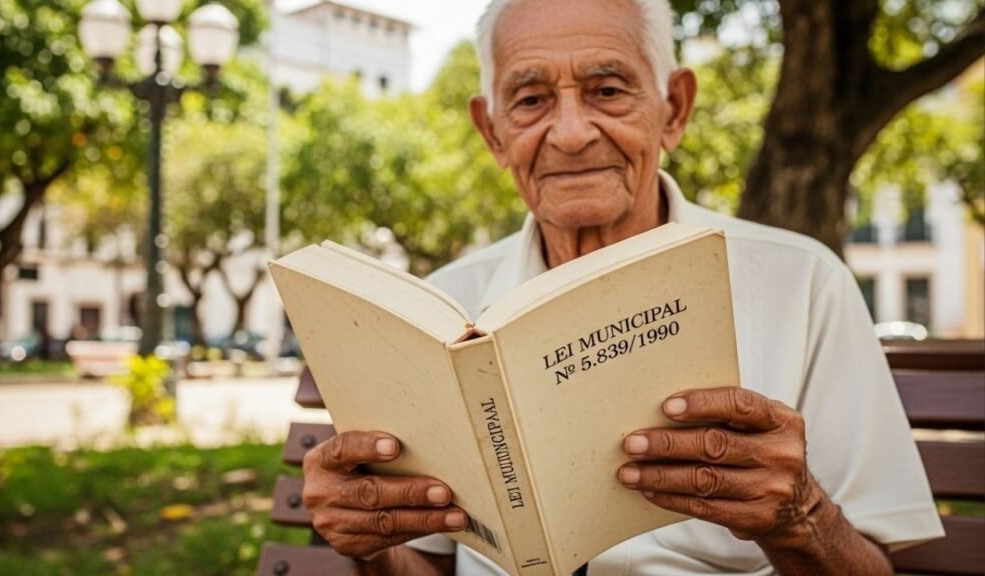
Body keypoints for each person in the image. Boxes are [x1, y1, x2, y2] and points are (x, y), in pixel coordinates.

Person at [300, 0, 945, 574]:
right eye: (530, 101)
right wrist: (373, 543)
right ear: (492, 132)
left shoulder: (802, 282)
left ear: (675, 108)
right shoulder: (441, 309)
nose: (573, 132)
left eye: (608, 90)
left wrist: (799, 515)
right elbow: (427, 567)